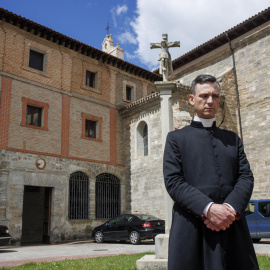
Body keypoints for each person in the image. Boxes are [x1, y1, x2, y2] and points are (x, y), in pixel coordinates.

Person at [163, 74, 259, 270]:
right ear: (191, 99)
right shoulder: (175, 139)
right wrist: (209, 209)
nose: (210, 101)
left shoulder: (233, 139)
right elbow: (174, 181)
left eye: (215, 96)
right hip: (192, 226)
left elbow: (246, 177)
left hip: (231, 225)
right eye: (204, 96)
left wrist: (229, 210)